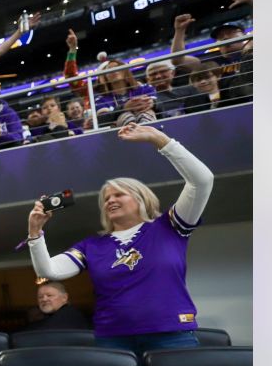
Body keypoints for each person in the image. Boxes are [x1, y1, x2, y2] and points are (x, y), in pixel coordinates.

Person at [26, 123, 212, 353]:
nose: (110, 201)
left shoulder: (169, 226)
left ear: (141, 198)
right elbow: (49, 271)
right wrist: (35, 232)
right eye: (106, 198)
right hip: (113, 340)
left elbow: (202, 181)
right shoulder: (91, 246)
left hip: (171, 335)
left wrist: (160, 140)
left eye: (119, 194)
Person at [91, 60, 158, 127]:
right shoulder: (101, 100)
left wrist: (153, 103)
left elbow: (160, 105)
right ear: (105, 77)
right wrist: (124, 108)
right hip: (120, 133)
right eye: (109, 69)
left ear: (125, 71)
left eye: (116, 67)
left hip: (149, 126)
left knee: (146, 113)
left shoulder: (145, 88)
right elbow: (102, 120)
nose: (113, 71)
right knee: (125, 116)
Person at [24, 281, 92, 331]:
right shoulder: (50, 317)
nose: (44, 299)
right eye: (40, 297)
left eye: (49, 295)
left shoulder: (69, 315)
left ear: (64, 297)